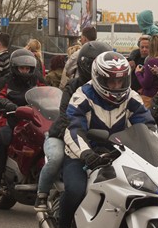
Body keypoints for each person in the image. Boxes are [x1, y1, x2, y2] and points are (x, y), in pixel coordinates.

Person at [51, 51, 155, 228]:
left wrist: (157, 148)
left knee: (139, 188)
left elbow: (148, 125)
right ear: (98, 78)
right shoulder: (82, 95)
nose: (116, 86)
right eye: (111, 81)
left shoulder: (132, 97)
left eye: (120, 81)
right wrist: (86, 153)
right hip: (84, 155)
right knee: (75, 190)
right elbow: (73, 129)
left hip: (119, 154)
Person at [34, 41, 111, 211]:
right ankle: (42, 194)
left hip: (92, 139)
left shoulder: (109, 88)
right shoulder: (73, 87)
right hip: (63, 135)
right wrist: (81, 142)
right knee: (56, 159)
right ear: (87, 66)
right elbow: (65, 119)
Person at [0, 49, 46, 191]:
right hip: (11, 116)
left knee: (46, 136)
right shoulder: (6, 80)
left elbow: (48, 92)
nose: (25, 71)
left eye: (27, 68)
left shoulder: (37, 78)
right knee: (4, 137)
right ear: (15, 67)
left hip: (34, 115)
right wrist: (8, 104)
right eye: (22, 68)